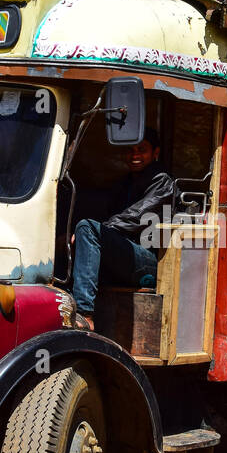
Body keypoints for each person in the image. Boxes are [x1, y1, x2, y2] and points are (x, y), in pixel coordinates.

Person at [70, 128, 174, 331]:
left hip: (150, 261)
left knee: (87, 228)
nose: (135, 155)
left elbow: (137, 217)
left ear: (155, 153)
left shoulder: (163, 182)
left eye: (141, 149)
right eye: (130, 150)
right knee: (80, 232)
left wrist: (98, 232)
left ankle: (84, 315)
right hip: (128, 255)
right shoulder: (124, 182)